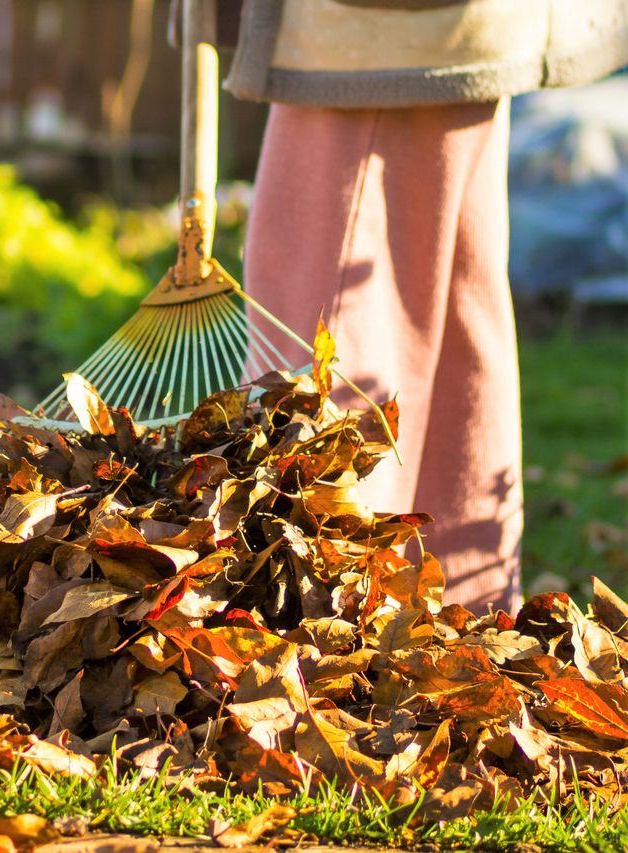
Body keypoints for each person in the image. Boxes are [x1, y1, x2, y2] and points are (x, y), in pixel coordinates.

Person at [221, 0, 628, 613]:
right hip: (452, 32)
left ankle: (327, 619)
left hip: (363, 27)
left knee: (325, 332)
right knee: (457, 304)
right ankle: (460, 617)